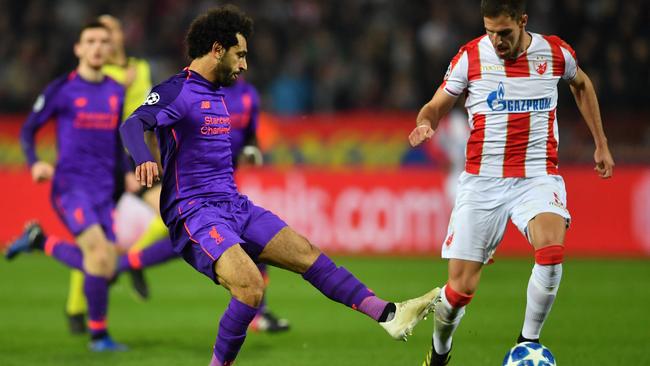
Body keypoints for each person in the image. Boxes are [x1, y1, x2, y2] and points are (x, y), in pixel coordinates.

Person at [120, 5, 440, 365]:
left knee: (306, 253)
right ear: (216, 49)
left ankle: (389, 315)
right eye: (240, 55)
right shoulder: (176, 90)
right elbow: (133, 124)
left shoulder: (219, 94)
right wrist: (142, 158)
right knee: (250, 287)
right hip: (195, 213)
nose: (244, 65)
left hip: (233, 205)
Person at [408, 1, 615, 365]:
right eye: (490, 32)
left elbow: (581, 85)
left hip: (537, 175)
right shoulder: (471, 57)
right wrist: (426, 122)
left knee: (551, 255)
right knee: (459, 291)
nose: (497, 41)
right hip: (483, 181)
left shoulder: (553, 52)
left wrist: (601, 142)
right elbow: (435, 106)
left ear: (523, 21)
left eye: (504, 33)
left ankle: (526, 343)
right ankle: (440, 353)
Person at [6, 21, 136, 351]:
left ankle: (39, 242)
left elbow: (115, 140)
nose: (96, 47)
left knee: (105, 267)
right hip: (70, 186)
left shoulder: (115, 92)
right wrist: (34, 161)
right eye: (90, 41)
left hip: (104, 189)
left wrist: (127, 173)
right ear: (78, 49)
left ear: (109, 50)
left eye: (103, 42)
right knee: (97, 254)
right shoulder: (62, 90)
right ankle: (99, 337)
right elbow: (28, 130)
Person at [63, 14, 156, 334]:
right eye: (103, 34)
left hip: (137, 158)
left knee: (170, 216)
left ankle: (134, 260)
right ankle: (75, 309)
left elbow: (146, 112)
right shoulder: (101, 75)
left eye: (114, 31)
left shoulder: (141, 68)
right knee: (95, 241)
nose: (109, 38)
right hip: (107, 164)